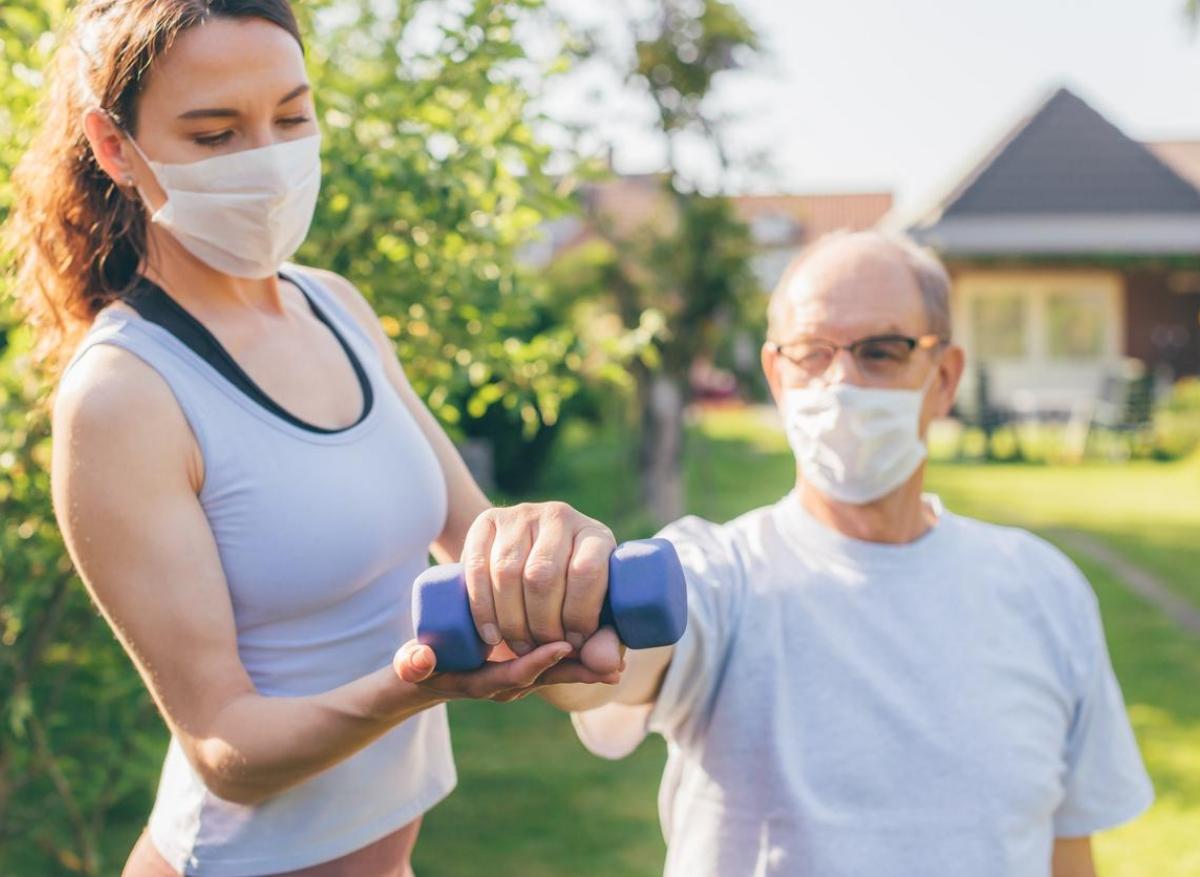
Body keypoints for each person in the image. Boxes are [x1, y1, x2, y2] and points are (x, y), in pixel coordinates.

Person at [5, 2, 621, 874]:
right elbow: (226, 748)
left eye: (292, 118)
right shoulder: (124, 395)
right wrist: (420, 681)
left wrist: (549, 550)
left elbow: (476, 532)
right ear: (116, 149)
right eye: (216, 134)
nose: (269, 161)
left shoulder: (335, 305)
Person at [461, 232, 1154, 876]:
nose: (840, 382)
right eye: (812, 351)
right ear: (776, 373)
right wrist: (555, 579)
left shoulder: (1043, 588)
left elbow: (1068, 848)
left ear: (943, 378)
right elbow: (603, 668)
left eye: (880, 350)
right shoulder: (717, 574)